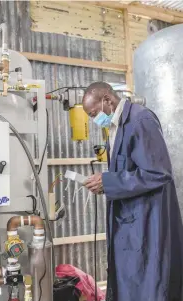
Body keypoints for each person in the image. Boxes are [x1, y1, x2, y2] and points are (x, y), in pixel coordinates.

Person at [82, 82, 183, 301]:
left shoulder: (140, 120)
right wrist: (104, 184)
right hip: (130, 220)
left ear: (107, 100)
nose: (94, 120)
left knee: (149, 285)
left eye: (93, 113)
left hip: (147, 220)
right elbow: (128, 171)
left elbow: (158, 172)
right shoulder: (116, 127)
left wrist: (108, 183)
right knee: (130, 284)